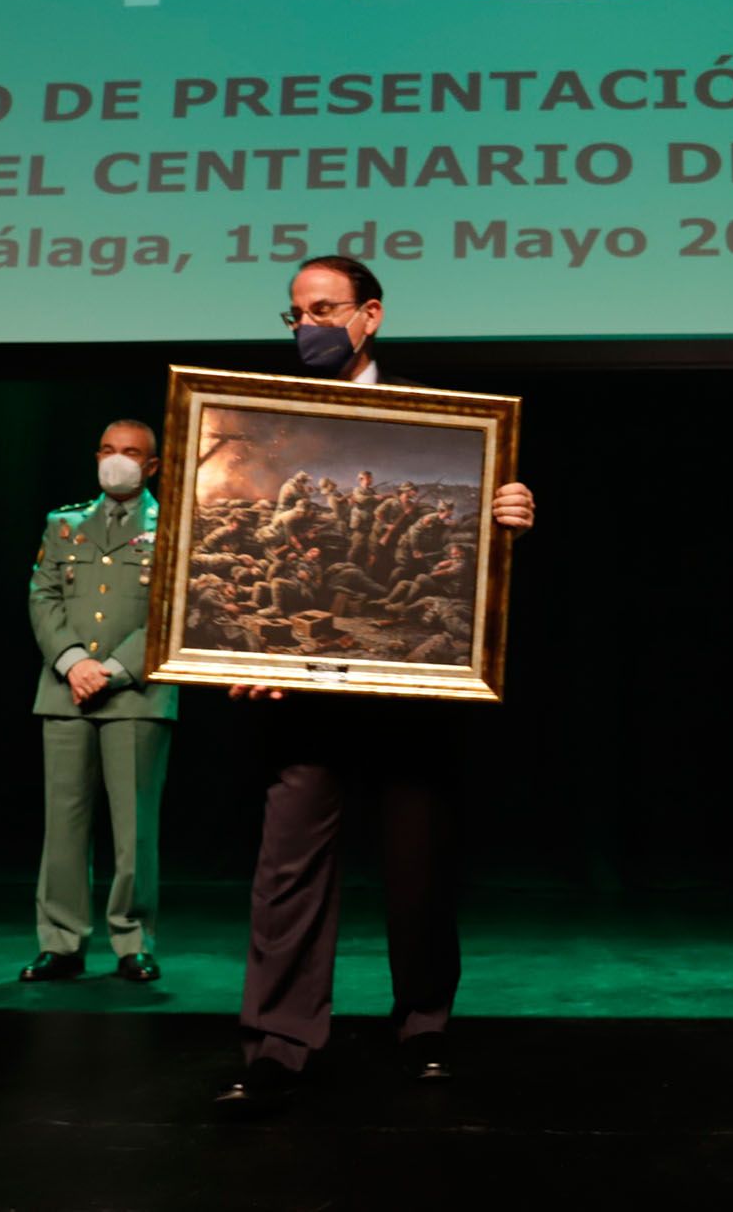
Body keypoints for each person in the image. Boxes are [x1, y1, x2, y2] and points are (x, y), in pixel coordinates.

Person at [213, 256, 536, 1113]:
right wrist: (238, 651)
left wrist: (509, 517)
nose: (308, 326)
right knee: (287, 868)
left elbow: (463, 563)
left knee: (419, 867)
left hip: (412, 697)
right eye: (295, 314)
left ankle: (424, 1025)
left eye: (324, 309)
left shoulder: (444, 421)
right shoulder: (265, 422)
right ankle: (277, 1042)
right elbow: (253, 554)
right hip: (303, 697)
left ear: (371, 316)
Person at [21, 420, 178, 984]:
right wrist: (73, 662)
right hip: (65, 691)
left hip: (136, 692)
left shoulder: (174, 526)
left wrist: (111, 670)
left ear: (153, 465)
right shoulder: (64, 523)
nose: (119, 460)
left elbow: (171, 607)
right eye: (109, 449)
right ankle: (60, 942)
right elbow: (42, 595)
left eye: (131, 453)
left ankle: (133, 940)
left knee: (134, 827)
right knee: (62, 824)